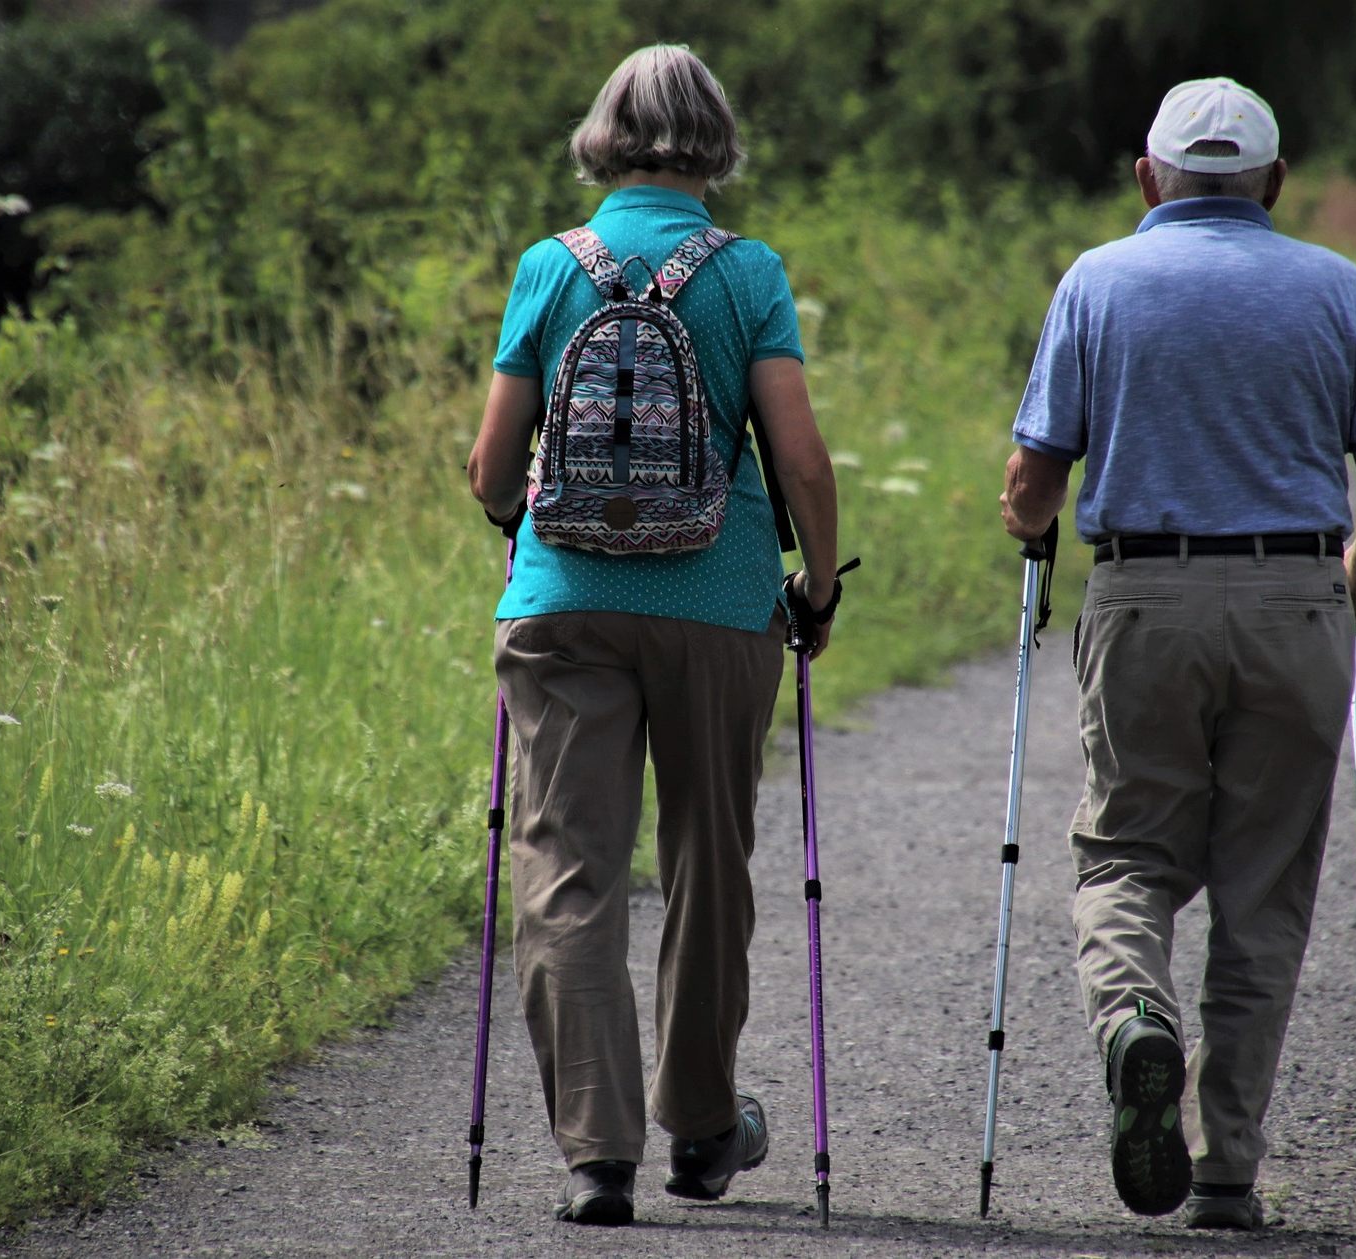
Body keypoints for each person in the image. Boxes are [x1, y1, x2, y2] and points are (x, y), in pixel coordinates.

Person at [999, 77, 1356, 1230]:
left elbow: (1034, 483)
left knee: (1125, 852)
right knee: (1263, 888)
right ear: (1275, 183)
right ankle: (1226, 1162)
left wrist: (1026, 522)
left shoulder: (1098, 279)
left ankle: (1137, 1017)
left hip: (1143, 596)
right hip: (1296, 600)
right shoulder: (1336, 287)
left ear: (1149, 177)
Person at [466, 44, 841, 1227]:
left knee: (570, 869)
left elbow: (489, 466)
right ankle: (704, 1127)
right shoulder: (748, 273)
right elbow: (797, 457)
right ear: (714, 139)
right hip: (719, 599)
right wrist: (815, 585)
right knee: (706, 863)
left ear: (604, 137)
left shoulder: (547, 264)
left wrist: (530, 533)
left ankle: (597, 1154)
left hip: (563, 604)